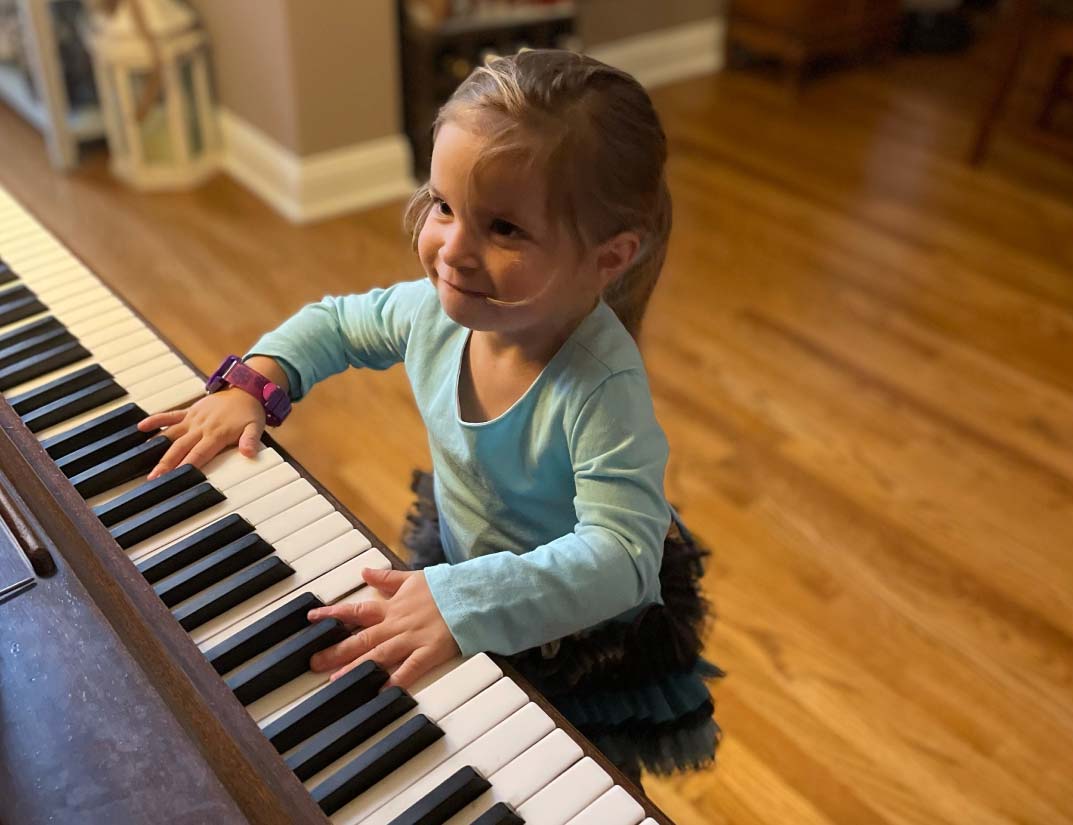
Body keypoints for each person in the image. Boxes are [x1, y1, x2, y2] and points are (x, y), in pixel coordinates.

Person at [138, 49, 720, 783]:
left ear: (609, 257)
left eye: (504, 228)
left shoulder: (600, 386)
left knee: (577, 781)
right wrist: (255, 384)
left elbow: (623, 560)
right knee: (461, 750)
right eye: (445, 205)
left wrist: (464, 599)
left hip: (576, 633)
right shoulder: (435, 315)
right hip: (463, 568)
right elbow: (337, 325)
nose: (453, 250)